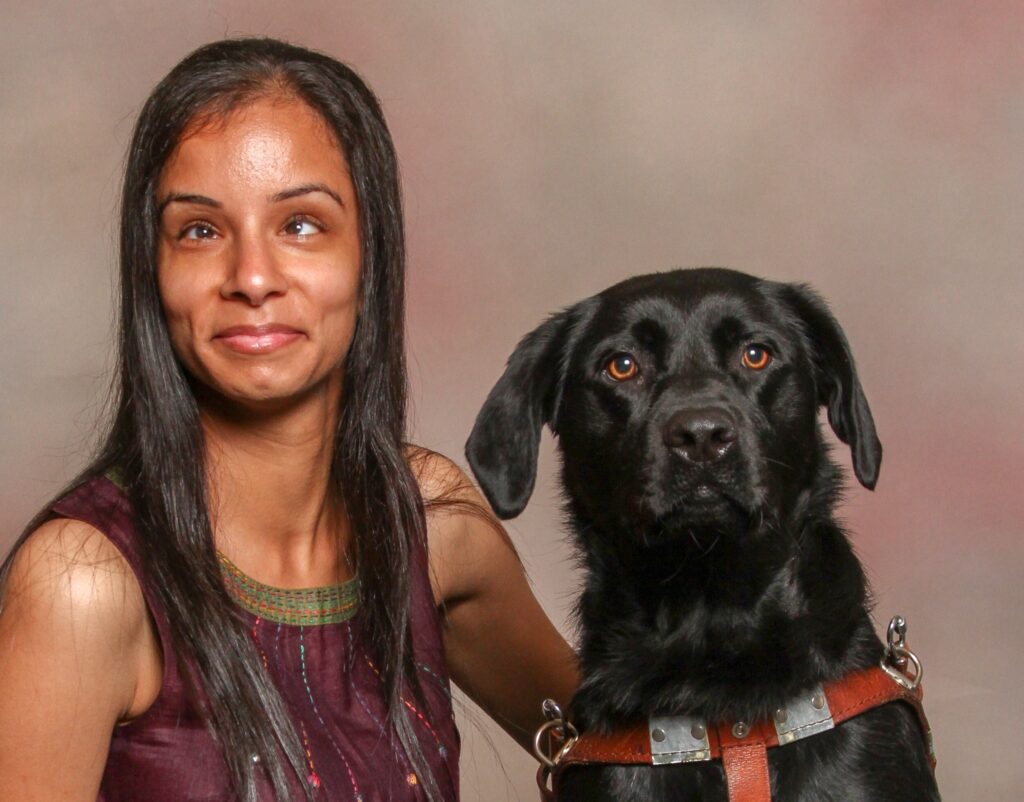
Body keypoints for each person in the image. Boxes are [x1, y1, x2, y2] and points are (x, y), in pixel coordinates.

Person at [0, 38, 577, 802]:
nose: (252, 278)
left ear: (370, 258)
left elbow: (636, 758)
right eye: (200, 231)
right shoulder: (85, 586)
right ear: (153, 271)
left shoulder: (430, 523)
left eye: (301, 225)